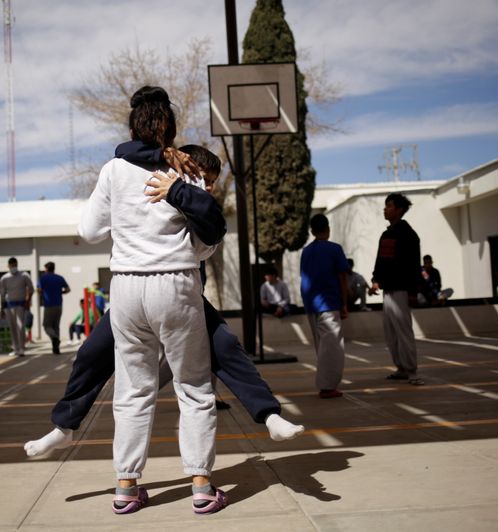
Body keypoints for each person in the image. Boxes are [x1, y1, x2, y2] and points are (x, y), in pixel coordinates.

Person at [25, 139, 303, 510]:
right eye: (207, 178)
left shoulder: (195, 202)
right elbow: (125, 158)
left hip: (181, 297)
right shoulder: (157, 185)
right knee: (92, 354)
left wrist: (191, 195)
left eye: (214, 182)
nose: (211, 186)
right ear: (187, 169)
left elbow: (206, 240)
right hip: (136, 291)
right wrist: (160, 158)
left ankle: (268, 415)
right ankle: (64, 426)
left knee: (225, 348)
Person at [79, 86, 224, 515]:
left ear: (132, 126)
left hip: (125, 286)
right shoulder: (186, 170)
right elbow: (206, 240)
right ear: (171, 129)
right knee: (194, 386)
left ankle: (126, 487)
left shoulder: (112, 170)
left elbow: (89, 231)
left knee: (133, 389)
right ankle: (200, 486)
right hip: (175, 283)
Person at [369, 193, 424, 385]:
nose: (385, 209)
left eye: (389, 206)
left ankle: (412, 371)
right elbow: (381, 261)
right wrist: (376, 280)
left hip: (401, 290)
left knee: (403, 331)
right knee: (390, 332)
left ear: (399, 210)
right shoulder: (386, 235)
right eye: (385, 206)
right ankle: (401, 368)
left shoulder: (409, 235)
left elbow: (414, 266)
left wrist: (412, 292)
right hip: (388, 291)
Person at [300, 214, 349, 399]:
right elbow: (342, 277)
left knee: (321, 347)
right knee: (332, 348)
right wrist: (344, 304)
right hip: (329, 302)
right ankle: (328, 386)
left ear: (312, 231)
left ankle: (326, 384)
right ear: (328, 229)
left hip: (311, 305)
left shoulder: (306, 251)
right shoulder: (335, 249)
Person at [0, 257, 34, 357]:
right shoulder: (4, 278)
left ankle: (22, 348)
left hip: (21, 304)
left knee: (20, 326)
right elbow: (2, 294)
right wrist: (2, 309)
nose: (13, 267)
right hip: (9, 305)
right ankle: (15, 348)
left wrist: (28, 301)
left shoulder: (24, 275)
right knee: (12, 327)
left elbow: (31, 289)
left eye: (14, 265)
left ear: (17, 265)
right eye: (11, 265)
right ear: (8, 266)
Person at [37, 261, 71, 354]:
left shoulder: (42, 278)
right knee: (56, 326)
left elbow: (39, 290)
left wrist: (43, 295)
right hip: (59, 305)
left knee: (47, 325)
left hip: (48, 305)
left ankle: (55, 338)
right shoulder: (59, 278)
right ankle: (56, 349)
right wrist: (60, 293)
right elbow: (68, 289)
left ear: (46, 269)